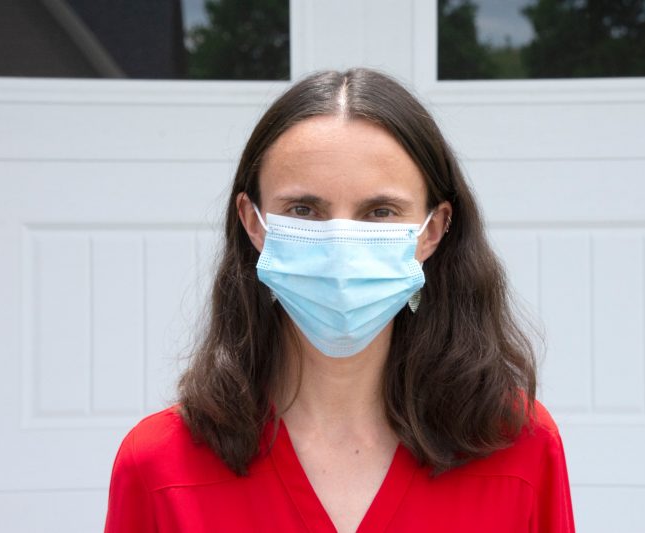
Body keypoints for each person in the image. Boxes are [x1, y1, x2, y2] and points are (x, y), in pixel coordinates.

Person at [104, 68, 575, 532]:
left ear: (432, 229)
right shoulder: (158, 467)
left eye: (380, 211)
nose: (341, 246)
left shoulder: (518, 447)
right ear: (253, 223)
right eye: (304, 211)